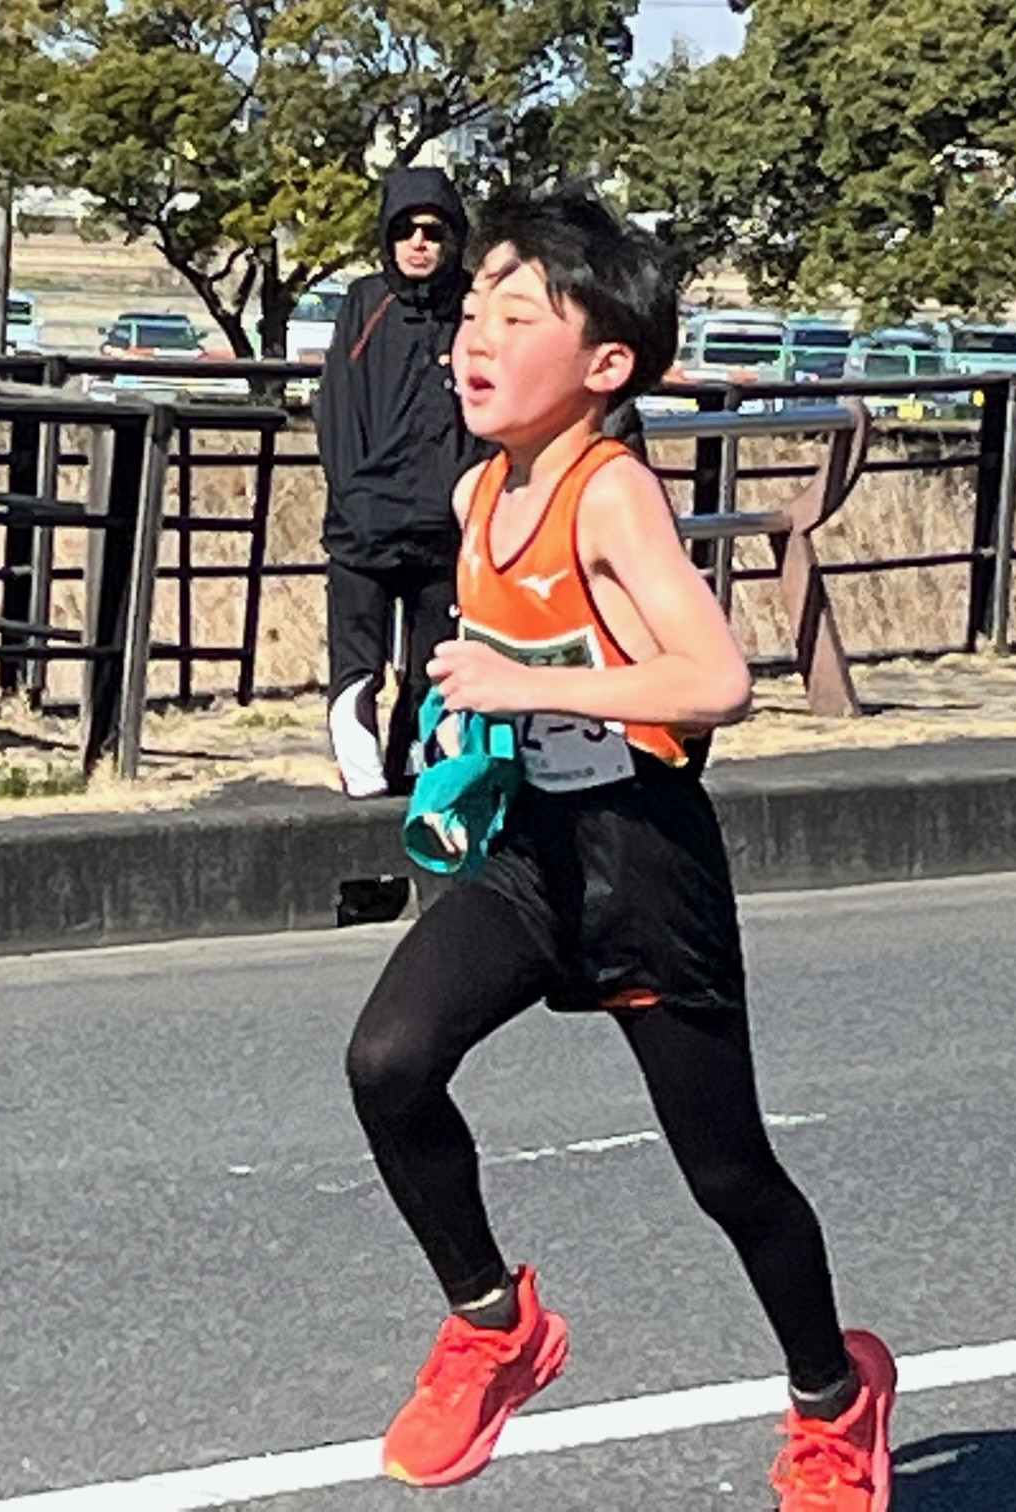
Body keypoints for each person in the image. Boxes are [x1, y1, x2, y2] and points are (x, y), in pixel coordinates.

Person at [343, 187, 897, 1510]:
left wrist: (525, 686)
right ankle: (495, 1326)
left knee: (728, 1174)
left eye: (516, 315)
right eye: (473, 310)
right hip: (532, 852)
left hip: (644, 863)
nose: (476, 336)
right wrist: (450, 715)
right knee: (390, 1062)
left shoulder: (611, 494)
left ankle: (835, 1399)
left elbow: (715, 680)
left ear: (605, 367)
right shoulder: (480, 490)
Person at [316, 166, 488, 798]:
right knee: (356, 669)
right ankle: (362, 786)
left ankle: (417, 775)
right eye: (406, 230)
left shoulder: (475, 310)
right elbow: (336, 411)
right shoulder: (365, 303)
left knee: (432, 668)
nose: (419, 243)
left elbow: (493, 411)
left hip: (444, 533)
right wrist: (353, 496)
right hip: (362, 530)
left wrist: (471, 500)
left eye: (433, 231)